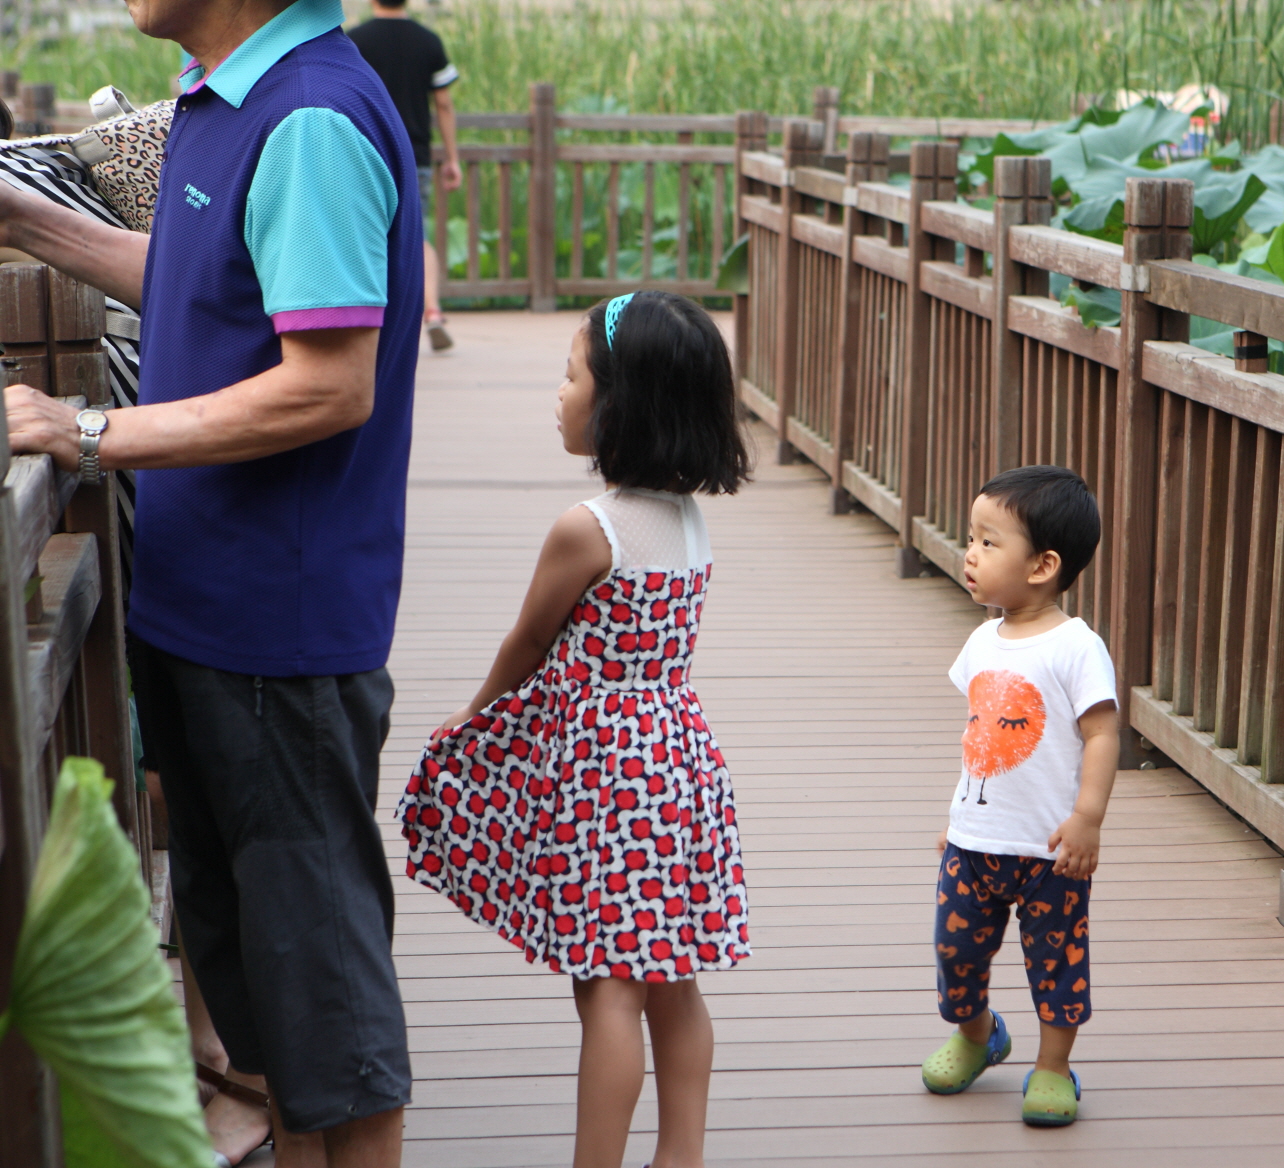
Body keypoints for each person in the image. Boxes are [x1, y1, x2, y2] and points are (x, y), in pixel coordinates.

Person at [1, 0, 424, 1162]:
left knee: (329, 1013)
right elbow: (205, 280)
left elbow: (328, 384)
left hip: (277, 628)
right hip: (206, 613)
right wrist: (23, 216)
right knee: (269, 1002)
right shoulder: (222, 98)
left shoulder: (309, 118)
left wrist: (86, 433)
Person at [398, 291, 752, 1168]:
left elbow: (528, 641)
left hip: (609, 775)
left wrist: (472, 715)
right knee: (672, 980)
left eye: (571, 376)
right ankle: (681, 1155)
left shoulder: (590, 529)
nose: (559, 394)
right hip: (677, 757)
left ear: (621, 403)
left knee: (607, 989)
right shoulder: (688, 522)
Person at [920, 466, 1119, 1128]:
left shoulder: (1076, 647)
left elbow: (1102, 735)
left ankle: (1053, 1068)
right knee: (956, 953)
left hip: (1049, 852)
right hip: (975, 843)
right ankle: (978, 1035)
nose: (969, 553)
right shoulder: (982, 640)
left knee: (1056, 962)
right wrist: (958, 817)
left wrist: (1087, 817)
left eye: (987, 542)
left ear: (1043, 566)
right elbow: (980, 738)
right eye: (971, 538)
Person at [349, 0, 460, 352]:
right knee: (417, 234)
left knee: (366, 234)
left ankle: (374, 320)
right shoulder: (428, 40)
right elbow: (444, 104)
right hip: (415, 156)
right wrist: (452, 158)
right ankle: (433, 311)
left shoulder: (355, 41)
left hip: (365, 152)